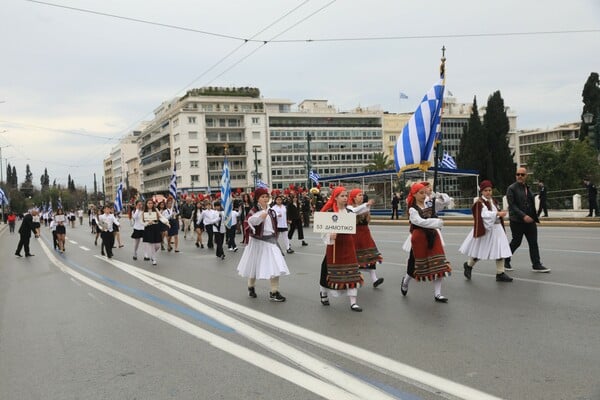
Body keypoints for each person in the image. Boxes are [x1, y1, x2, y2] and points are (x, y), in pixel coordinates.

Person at [400, 183, 452, 303]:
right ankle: (405, 282)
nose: (424, 195)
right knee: (414, 266)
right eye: (421, 193)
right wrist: (436, 222)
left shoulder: (430, 203)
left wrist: (438, 195)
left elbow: (446, 202)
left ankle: (438, 294)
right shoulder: (412, 208)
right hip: (419, 238)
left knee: (439, 263)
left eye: (425, 192)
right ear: (414, 194)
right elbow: (419, 222)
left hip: (433, 236)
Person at [237, 187, 289, 302]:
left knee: (276, 265)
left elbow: (274, 226)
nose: (265, 199)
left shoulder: (271, 211)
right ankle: (251, 286)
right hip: (257, 241)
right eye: (263, 197)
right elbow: (248, 223)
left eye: (266, 196)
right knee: (254, 265)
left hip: (270, 242)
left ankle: (274, 291)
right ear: (257, 198)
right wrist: (259, 219)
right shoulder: (253, 211)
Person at [318, 186, 365, 311]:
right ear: (336, 197)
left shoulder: (349, 211)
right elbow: (323, 230)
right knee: (327, 271)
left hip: (348, 244)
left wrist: (366, 205)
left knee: (352, 272)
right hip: (334, 246)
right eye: (342, 196)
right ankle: (323, 293)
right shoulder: (329, 213)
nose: (345, 198)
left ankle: (353, 302)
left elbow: (358, 212)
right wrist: (330, 235)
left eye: (346, 196)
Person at [458, 180, 513, 282]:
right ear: (482, 192)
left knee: (500, 250)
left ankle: (500, 273)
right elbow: (484, 215)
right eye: (486, 190)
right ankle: (469, 265)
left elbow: (495, 212)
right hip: (485, 230)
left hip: (497, 229)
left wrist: (500, 214)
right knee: (479, 251)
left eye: (490, 190)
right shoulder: (479, 203)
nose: (488, 192)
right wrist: (497, 214)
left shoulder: (494, 201)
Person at [504, 167, 551, 272]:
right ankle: (505, 260)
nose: (520, 176)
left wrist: (534, 217)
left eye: (522, 174)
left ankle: (536, 264)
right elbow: (512, 206)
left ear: (526, 176)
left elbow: (530, 204)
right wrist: (523, 216)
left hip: (530, 221)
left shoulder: (528, 188)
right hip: (517, 220)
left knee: (533, 242)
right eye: (518, 174)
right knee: (516, 242)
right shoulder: (511, 188)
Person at [348, 188, 383, 288]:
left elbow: (366, 215)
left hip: (365, 233)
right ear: (354, 197)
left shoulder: (365, 207)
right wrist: (366, 205)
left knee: (371, 256)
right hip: (355, 234)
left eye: (362, 195)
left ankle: (374, 279)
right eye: (359, 195)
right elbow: (355, 211)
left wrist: (366, 206)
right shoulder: (350, 207)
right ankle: (355, 278)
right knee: (355, 259)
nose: (361, 196)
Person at [142, 198, 170, 266]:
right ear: (146, 204)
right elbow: (141, 222)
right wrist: (147, 223)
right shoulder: (144, 211)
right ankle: (154, 259)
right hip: (148, 228)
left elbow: (161, 217)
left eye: (151, 203)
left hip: (155, 227)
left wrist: (167, 222)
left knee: (157, 245)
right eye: (148, 203)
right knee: (152, 244)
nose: (150, 204)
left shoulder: (156, 210)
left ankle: (152, 254)